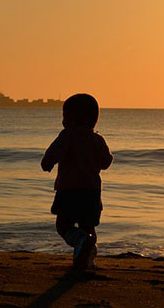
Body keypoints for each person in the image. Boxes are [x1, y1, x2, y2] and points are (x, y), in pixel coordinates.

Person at [41, 93, 113, 271]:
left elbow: (51, 156)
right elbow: (106, 163)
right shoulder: (98, 139)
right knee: (88, 226)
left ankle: (80, 241)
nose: (63, 121)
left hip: (69, 191)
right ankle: (87, 259)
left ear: (71, 119)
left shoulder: (67, 136)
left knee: (63, 225)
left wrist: (47, 163)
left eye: (65, 116)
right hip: (92, 193)